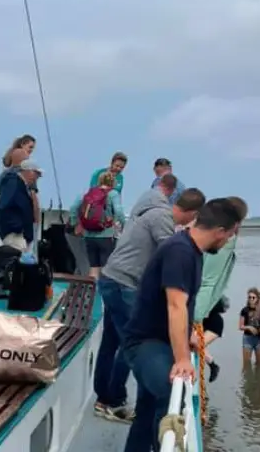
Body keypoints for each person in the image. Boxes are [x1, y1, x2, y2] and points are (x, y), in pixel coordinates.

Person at [121, 199, 241, 452]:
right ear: (220, 231)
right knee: (170, 392)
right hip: (145, 342)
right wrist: (183, 359)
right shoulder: (180, 252)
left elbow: (182, 307)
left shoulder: (192, 251)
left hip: (158, 339)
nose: (228, 241)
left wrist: (187, 338)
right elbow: (176, 306)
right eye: (230, 235)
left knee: (146, 411)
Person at [92, 178, 205, 423]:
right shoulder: (163, 219)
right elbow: (172, 260)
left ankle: (103, 397)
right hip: (125, 283)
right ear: (194, 214)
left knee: (110, 342)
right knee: (132, 344)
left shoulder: (147, 209)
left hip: (111, 277)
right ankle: (113, 401)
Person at [191, 196, 249, 383]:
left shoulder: (211, 240)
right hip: (195, 310)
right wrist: (196, 318)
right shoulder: (222, 245)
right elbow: (207, 281)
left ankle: (205, 361)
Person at [70, 172, 125, 278]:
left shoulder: (89, 193)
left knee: (93, 267)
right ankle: (102, 289)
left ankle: (93, 288)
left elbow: (73, 208)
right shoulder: (113, 194)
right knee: (106, 268)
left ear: (99, 181)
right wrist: (124, 226)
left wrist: (75, 223)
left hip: (89, 235)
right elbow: (119, 212)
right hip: (106, 235)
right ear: (113, 183)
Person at [0, 160, 41, 251]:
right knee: (20, 256)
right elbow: (2, 206)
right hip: (15, 234)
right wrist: (16, 227)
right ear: (28, 171)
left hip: (22, 234)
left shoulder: (22, 186)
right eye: (36, 174)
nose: (37, 178)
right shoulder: (13, 183)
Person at [240, 287, 260, 365]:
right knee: (246, 363)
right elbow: (241, 326)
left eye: (253, 297)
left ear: (257, 298)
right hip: (248, 338)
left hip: (259, 338)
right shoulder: (244, 310)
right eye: (249, 297)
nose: (251, 299)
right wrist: (249, 327)